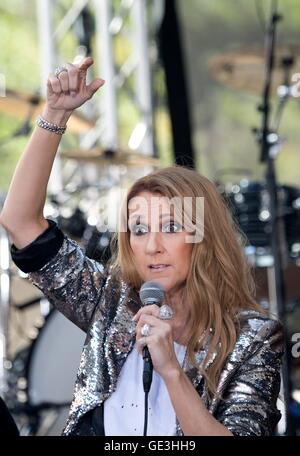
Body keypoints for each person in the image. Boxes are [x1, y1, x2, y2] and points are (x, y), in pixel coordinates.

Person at [0, 57, 283, 436]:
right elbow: (20, 222)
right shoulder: (112, 302)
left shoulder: (253, 338)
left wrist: (170, 370)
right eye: (138, 229)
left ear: (204, 237)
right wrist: (55, 114)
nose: (152, 246)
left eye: (170, 226)